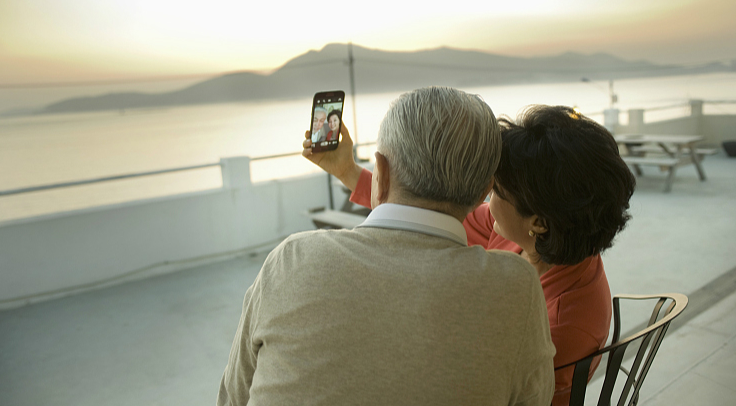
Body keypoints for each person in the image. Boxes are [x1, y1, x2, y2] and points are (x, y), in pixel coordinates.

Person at [217, 87, 556, 406]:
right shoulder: (517, 288)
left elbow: (233, 397)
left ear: (379, 169)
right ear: (486, 189)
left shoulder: (291, 261)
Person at [314, 105, 635, 406]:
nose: (485, 195)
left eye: (497, 191)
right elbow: (424, 212)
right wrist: (347, 171)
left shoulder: (564, 324)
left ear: (538, 222)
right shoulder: (539, 238)